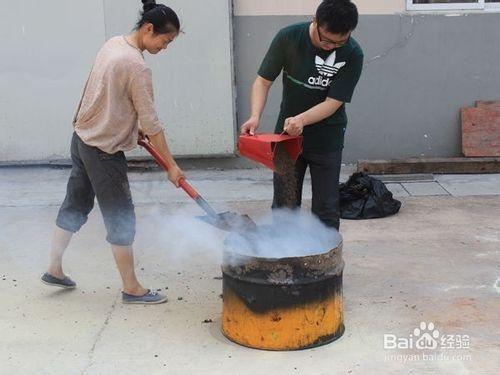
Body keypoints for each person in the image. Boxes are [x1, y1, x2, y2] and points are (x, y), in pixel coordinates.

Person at [41, 0, 184, 304]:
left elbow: (107, 94)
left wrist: (132, 128)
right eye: (165, 40)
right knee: (121, 217)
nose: (165, 47)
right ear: (149, 29)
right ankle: (132, 288)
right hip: (104, 150)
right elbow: (153, 123)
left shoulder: (113, 44)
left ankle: (54, 267)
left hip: (81, 138)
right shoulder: (137, 66)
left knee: (76, 203)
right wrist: (171, 166)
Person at [241, 0, 363, 230]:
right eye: (326, 40)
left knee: (326, 207)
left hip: (327, 137)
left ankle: (324, 262)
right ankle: (283, 260)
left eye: (339, 42)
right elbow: (263, 81)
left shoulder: (353, 53)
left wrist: (302, 120)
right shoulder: (289, 38)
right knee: (284, 205)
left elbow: (333, 103)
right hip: (287, 138)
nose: (331, 47)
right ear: (314, 20)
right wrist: (255, 115)